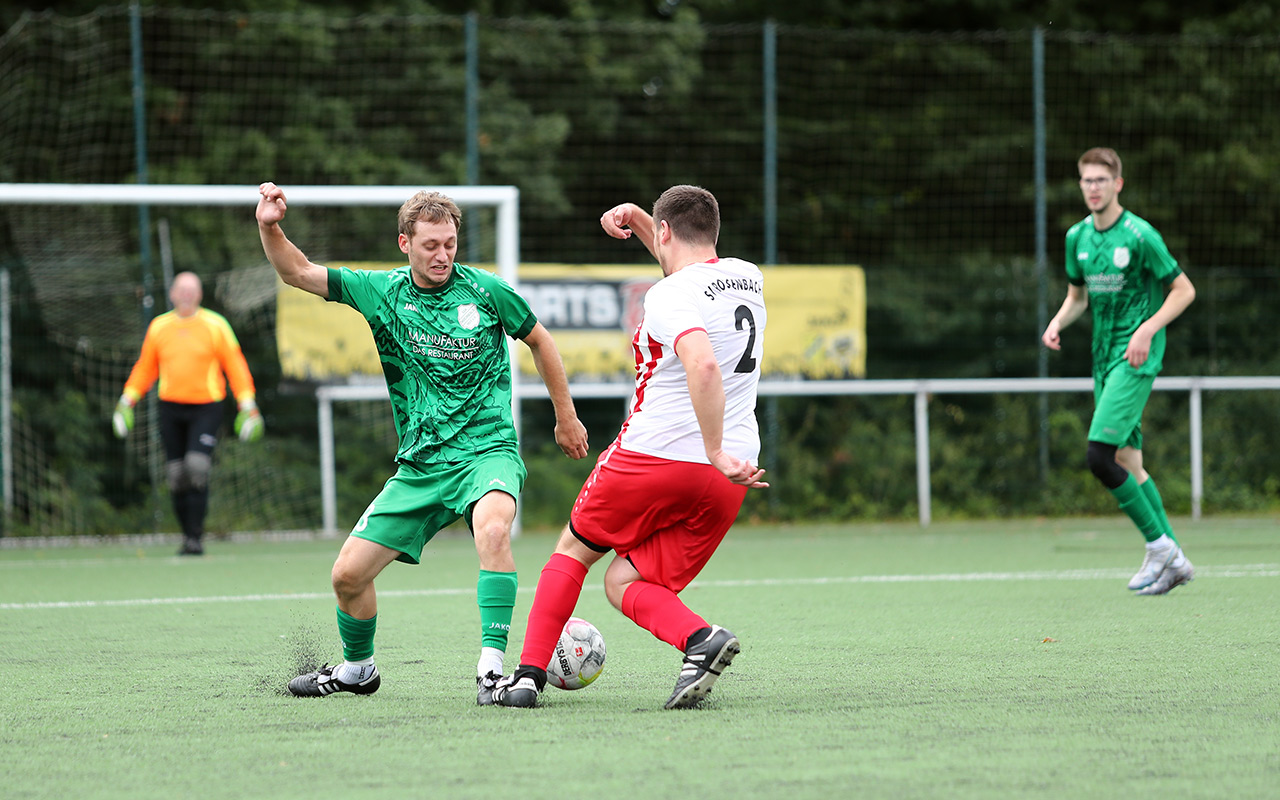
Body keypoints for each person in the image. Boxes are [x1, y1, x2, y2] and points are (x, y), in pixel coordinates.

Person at [255, 182, 589, 704]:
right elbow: (297, 272)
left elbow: (541, 340)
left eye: (450, 243)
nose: (443, 254)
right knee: (347, 575)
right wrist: (270, 226)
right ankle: (357, 670)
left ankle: (492, 672)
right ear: (404, 243)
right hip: (421, 466)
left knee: (494, 532)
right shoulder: (383, 292)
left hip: (487, 451)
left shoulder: (486, 290)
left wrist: (565, 418)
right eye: (431, 244)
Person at [493, 184, 768, 710]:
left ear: (665, 234)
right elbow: (685, 268)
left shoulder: (666, 295)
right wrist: (645, 220)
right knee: (624, 581)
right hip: (734, 472)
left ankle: (525, 678)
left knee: (573, 551)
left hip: (657, 456)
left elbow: (702, 363)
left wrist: (710, 447)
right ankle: (699, 640)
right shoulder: (747, 276)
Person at [1042, 147, 1197, 596]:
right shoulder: (1077, 237)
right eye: (1086, 180)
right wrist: (1055, 323)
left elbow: (1184, 290)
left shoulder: (1140, 235)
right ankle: (1175, 559)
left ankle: (1160, 547)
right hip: (1102, 357)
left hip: (1136, 357)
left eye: (1101, 180)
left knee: (1099, 455)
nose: (1093, 188)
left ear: (1118, 185)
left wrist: (1147, 329)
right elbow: (1077, 297)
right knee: (1129, 460)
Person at [112, 271, 264, 556]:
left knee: (197, 468)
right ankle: (186, 536)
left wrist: (247, 403)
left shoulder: (216, 325)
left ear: (200, 294)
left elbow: (235, 365)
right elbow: (146, 368)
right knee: (176, 474)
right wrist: (126, 400)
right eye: (181, 289)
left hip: (207, 406)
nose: (186, 294)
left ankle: (196, 537)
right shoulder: (159, 327)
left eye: (191, 289)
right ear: (171, 294)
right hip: (170, 407)